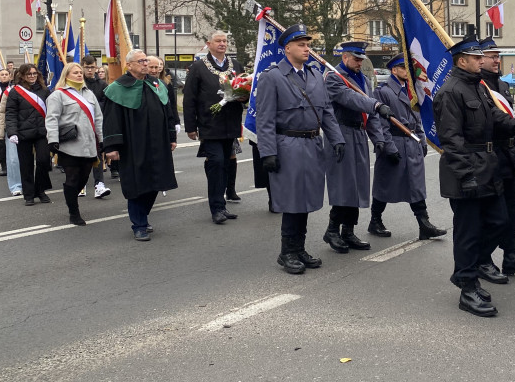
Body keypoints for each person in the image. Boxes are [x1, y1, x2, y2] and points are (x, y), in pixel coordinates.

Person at [434, 34, 515, 318]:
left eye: (482, 57)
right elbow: (450, 140)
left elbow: (494, 115)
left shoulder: (476, 87)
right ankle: (467, 287)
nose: (483, 61)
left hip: (487, 166)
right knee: (468, 232)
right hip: (466, 169)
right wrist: (465, 175)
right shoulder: (450, 92)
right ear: (462, 60)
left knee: (499, 221)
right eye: (477, 57)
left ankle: (471, 268)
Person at [255, 23, 345, 274]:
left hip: (313, 145)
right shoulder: (272, 77)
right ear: (287, 49)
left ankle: (300, 248)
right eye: (302, 45)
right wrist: (268, 152)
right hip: (288, 145)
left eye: (308, 45)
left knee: (306, 200)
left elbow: (326, 111)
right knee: (292, 200)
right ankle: (287, 252)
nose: (307, 49)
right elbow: (265, 119)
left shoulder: (315, 74)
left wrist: (337, 138)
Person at [477, 37, 515, 279]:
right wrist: (514, 129)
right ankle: (484, 259)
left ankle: (511, 256)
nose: (497, 60)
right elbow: (490, 119)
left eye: (497, 56)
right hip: (489, 155)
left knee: (513, 211)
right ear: (480, 58)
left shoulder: (502, 85)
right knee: (494, 214)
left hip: (506, 155)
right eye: (492, 56)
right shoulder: (480, 86)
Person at [368, 54, 447, 240]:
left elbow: (416, 119)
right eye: (403, 68)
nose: (407, 71)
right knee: (385, 185)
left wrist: (421, 139)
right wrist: (388, 147)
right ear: (394, 70)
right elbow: (381, 123)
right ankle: (375, 220)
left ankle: (424, 223)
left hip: (411, 142)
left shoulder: (412, 90)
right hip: (394, 142)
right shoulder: (384, 91)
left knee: (416, 186)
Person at [102, 49, 179, 241]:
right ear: (129, 65)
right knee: (137, 184)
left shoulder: (158, 84)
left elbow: (168, 112)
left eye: (146, 60)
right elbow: (111, 120)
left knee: (156, 181)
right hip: (133, 144)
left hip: (158, 142)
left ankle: (142, 216)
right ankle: (139, 224)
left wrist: (171, 136)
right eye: (141, 61)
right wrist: (111, 147)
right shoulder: (117, 88)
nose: (145, 64)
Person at [322, 41, 391, 252]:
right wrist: (376, 105)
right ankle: (332, 230)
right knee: (344, 184)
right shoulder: (333, 77)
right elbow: (351, 99)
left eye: (361, 59)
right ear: (344, 57)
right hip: (340, 133)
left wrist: (378, 137)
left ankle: (348, 231)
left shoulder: (362, 79)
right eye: (356, 59)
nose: (359, 63)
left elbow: (368, 111)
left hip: (359, 132)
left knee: (358, 185)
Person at [184, 31, 244, 224]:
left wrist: (244, 96)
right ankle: (216, 208)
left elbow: (246, 91)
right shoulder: (199, 67)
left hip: (230, 123)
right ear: (209, 44)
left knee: (225, 163)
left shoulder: (235, 65)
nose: (222, 44)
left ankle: (222, 205)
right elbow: (189, 98)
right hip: (210, 123)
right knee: (216, 163)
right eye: (218, 41)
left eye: (225, 41)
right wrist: (190, 126)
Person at [46, 62, 103, 226]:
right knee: (72, 178)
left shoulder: (89, 95)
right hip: (69, 145)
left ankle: (71, 198)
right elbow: (52, 118)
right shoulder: (58, 95)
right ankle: (74, 212)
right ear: (66, 75)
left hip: (89, 144)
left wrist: (102, 139)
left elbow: (98, 118)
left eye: (80, 72)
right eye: (75, 72)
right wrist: (53, 139)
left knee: (84, 178)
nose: (79, 74)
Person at [5, 63, 53, 205]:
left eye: (34, 74)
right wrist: (12, 132)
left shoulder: (45, 91)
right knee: (26, 165)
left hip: (42, 132)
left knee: (44, 161)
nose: (32, 76)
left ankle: (40, 190)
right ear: (22, 76)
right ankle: (29, 194)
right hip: (23, 133)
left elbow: (52, 111)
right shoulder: (15, 92)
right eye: (29, 74)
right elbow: (11, 113)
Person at [80, 55, 112, 199]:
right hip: (79, 125)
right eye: (87, 67)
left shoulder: (102, 85)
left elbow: (106, 104)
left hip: (96, 124)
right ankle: (81, 184)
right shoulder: (78, 83)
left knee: (97, 154)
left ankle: (99, 184)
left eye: (92, 67)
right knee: (80, 155)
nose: (90, 70)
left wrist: (92, 106)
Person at [0, 77, 22, 197]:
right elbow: (1, 113)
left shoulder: (36, 90)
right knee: (13, 159)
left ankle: (30, 183)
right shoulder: (9, 92)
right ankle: (16, 185)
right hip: (12, 128)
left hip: (30, 128)